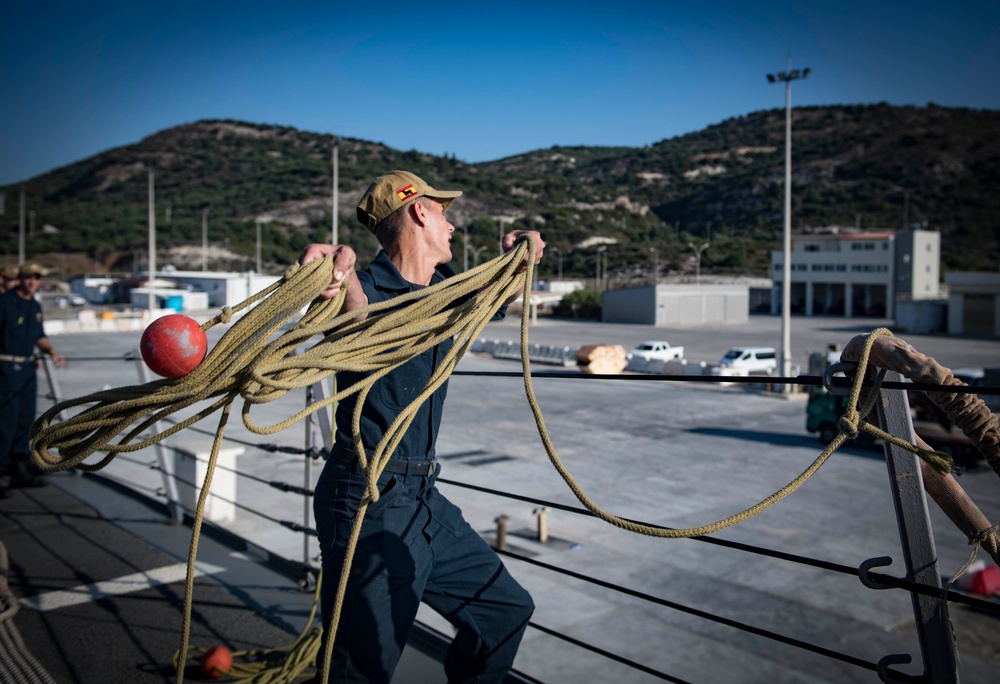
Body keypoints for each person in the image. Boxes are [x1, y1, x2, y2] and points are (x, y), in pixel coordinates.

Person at [298, 170, 544, 684]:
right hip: (367, 498)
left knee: (503, 611)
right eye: (445, 213)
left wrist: (525, 255)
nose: (452, 226)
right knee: (360, 671)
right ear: (417, 211)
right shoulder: (360, 290)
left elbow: (502, 294)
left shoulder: (447, 297)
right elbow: (352, 325)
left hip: (422, 497)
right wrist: (325, 275)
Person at [0, 262, 65, 497]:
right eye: (29, 277)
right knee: (5, 421)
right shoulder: (5, 302)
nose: (32, 282)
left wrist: (52, 353)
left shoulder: (34, 306)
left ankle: (18, 467)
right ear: (21, 279)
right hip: (6, 367)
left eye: (36, 278)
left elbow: (39, 336)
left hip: (27, 368)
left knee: (24, 419)